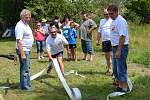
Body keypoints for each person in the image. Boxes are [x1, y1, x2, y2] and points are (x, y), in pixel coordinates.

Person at [107, 5, 129, 92]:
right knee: (115, 69)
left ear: (117, 12)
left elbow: (122, 36)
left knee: (121, 68)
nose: (110, 15)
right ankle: (120, 86)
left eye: (112, 13)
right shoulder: (113, 21)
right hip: (115, 47)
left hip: (121, 47)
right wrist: (114, 49)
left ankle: (125, 87)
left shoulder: (120, 21)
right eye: (109, 14)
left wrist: (119, 50)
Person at [15, 9, 34, 90]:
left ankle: (27, 84)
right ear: (22, 17)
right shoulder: (20, 26)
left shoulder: (25, 24)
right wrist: (22, 53)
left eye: (29, 17)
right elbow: (19, 41)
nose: (28, 19)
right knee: (25, 69)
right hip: (23, 50)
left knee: (27, 67)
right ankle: (25, 87)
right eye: (27, 17)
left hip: (27, 50)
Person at [96, 9, 112, 75]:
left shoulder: (113, 20)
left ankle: (113, 70)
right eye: (104, 14)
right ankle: (109, 69)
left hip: (112, 40)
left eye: (107, 14)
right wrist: (97, 40)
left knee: (112, 56)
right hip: (104, 41)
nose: (106, 15)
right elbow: (99, 31)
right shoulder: (102, 21)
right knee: (107, 56)